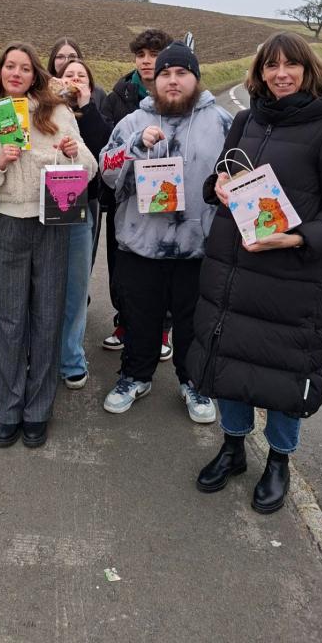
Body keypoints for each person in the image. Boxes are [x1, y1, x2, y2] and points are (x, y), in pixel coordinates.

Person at [187, 32, 322, 513]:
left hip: (292, 277)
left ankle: (279, 460)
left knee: (286, 374)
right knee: (228, 360)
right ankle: (233, 448)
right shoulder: (246, 120)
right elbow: (219, 178)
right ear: (260, 72)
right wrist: (217, 186)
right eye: (272, 65)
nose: (281, 74)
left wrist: (298, 238)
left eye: (291, 65)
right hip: (232, 268)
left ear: (308, 70)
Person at [0, 43, 97, 449]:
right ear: (0, 71)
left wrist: (72, 155)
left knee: (48, 317)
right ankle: (7, 407)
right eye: (10, 66)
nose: (16, 73)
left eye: (25, 68)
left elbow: (89, 168)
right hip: (9, 224)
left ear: (35, 75)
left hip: (53, 224)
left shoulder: (58, 113)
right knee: (9, 319)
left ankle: (38, 409)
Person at [99, 41, 232, 421]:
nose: (173, 81)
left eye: (182, 73)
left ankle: (193, 382)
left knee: (194, 323)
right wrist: (133, 147)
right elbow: (107, 170)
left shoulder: (221, 122)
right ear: (155, 81)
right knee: (140, 316)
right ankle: (134, 376)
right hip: (141, 244)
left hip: (198, 246)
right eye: (165, 74)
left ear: (196, 78)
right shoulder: (132, 122)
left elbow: (238, 174)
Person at [100, 28, 173, 358]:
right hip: (126, 199)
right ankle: (125, 322)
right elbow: (107, 146)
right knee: (122, 268)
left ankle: (163, 329)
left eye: (154, 55)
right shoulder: (119, 96)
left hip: (166, 196)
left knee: (166, 267)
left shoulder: (177, 98)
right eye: (140, 55)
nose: (146, 61)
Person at [57, 60, 112, 389]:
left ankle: (72, 356)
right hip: (45, 204)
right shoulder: (44, 109)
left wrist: (86, 106)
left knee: (76, 285)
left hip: (81, 202)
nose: (74, 80)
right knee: (45, 285)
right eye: (68, 75)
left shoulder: (93, 112)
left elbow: (103, 148)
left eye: (81, 76)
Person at [47, 37, 107, 109]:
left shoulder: (98, 93)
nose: (66, 61)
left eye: (72, 56)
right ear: (53, 60)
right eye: (60, 57)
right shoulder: (43, 91)